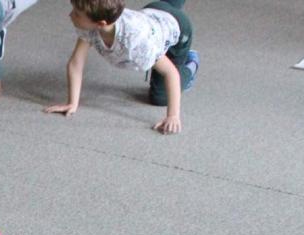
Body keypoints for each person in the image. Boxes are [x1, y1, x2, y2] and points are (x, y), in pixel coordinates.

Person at [43, 0, 199, 134]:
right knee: (167, 8)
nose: (70, 15)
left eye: (77, 14)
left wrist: (173, 116)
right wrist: (72, 103)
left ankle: (191, 62)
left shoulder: (136, 44)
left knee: (160, 97)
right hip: (154, 10)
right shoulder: (91, 28)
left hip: (178, 29)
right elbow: (76, 63)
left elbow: (171, 72)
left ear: (101, 23)